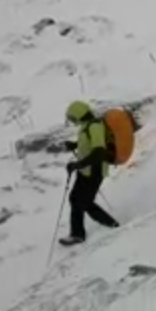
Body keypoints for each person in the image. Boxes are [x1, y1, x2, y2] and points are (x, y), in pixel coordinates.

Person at [60, 101, 119, 246]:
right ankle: (79, 233)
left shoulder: (94, 126)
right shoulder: (87, 126)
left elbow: (99, 151)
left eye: (73, 118)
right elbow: (89, 143)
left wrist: (78, 164)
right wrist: (74, 145)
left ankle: (111, 226)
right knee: (76, 199)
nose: (74, 121)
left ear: (79, 114)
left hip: (94, 171)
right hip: (85, 170)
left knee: (83, 202)